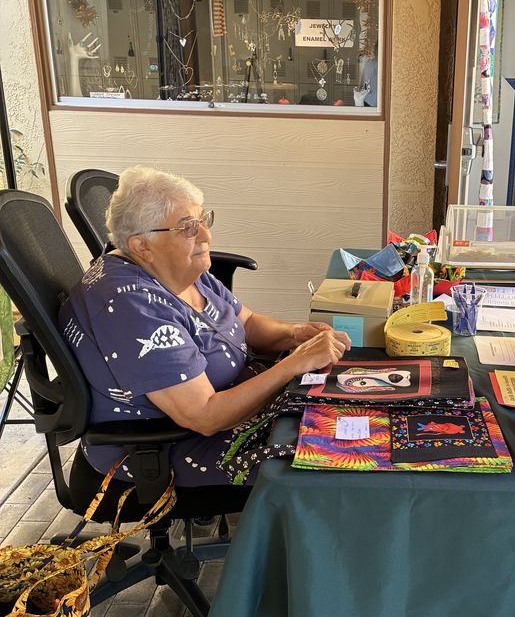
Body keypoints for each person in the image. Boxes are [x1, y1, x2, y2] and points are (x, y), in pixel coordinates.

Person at [59, 166, 350, 486]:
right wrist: (294, 364)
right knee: (341, 459)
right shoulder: (134, 307)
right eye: (187, 227)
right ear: (142, 246)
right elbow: (205, 417)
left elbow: (247, 321)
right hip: (174, 447)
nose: (205, 236)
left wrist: (293, 335)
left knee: (354, 408)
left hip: (242, 403)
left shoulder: (178, 269)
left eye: (202, 220)